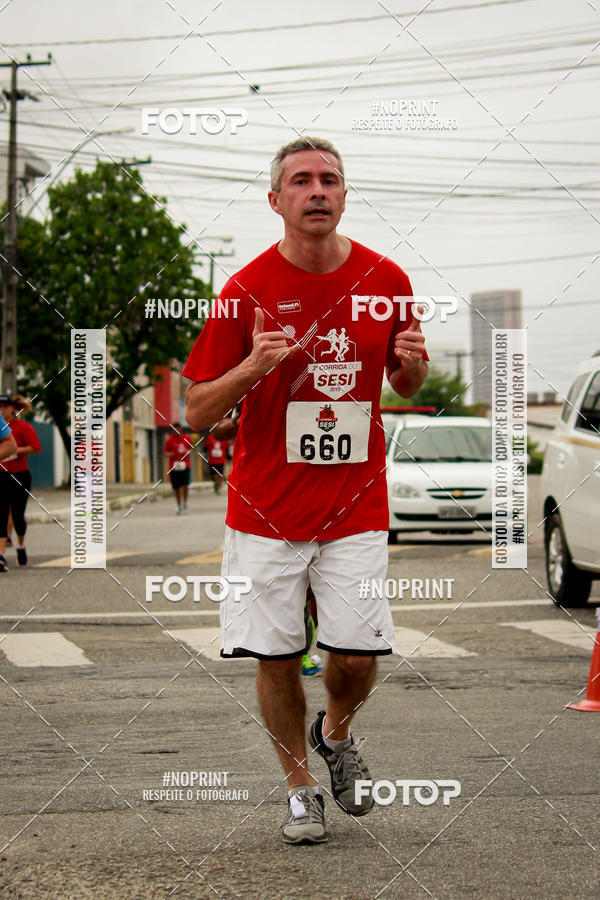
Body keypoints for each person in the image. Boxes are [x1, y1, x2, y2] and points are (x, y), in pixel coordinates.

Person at [183, 137, 428, 844]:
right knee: (278, 655)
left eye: (329, 180)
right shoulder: (243, 292)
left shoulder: (387, 279)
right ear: (277, 200)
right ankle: (298, 787)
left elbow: (403, 383)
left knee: (355, 657)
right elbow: (197, 411)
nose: (316, 190)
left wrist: (410, 369)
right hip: (266, 510)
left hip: (355, 504)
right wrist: (252, 368)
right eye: (300, 181)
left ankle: (336, 732)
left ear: (344, 195)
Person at [0, 395, 42, 572]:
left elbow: (36, 447)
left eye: (5, 407)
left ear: (12, 409)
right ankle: (1, 555)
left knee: (17, 516)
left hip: (19, 475)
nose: (2, 411)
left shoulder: (22, 427)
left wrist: (16, 449)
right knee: (1, 514)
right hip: (1, 474)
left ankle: (21, 545)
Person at [163, 423, 193, 515]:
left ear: (181, 430)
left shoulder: (186, 438)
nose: (177, 432)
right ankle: (179, 505)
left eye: (178, 430)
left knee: (185, 485)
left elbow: (191, 448)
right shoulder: (169, 440)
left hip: (185, 465)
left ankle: (185, 503)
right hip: (174, 467)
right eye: (175, 430)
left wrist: (187, 451)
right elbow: (165, 452)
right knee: (176, 487)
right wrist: (169, 454)